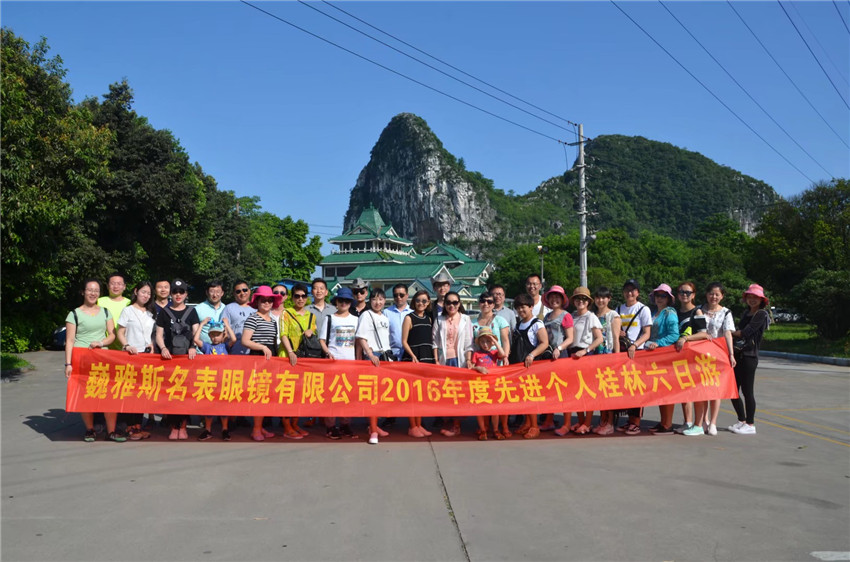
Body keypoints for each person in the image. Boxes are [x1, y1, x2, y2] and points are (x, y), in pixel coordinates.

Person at [64, 279, 124, 442]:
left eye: (96, 290)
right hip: (82, 359)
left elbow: (112, 335)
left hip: (102, 359)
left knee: (108, 395)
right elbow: (69, 341)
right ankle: (90, 430)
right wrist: (68, 364)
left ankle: (111, 431)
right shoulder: (74, 314)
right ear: (83, 292)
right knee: (86, 395)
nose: (93, 293)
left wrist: (101, 343)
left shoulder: (105, 312)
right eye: (90, 290)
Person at [676, 282, 734, 436]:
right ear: (706, 294)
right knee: (701, 389)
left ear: (722, 296)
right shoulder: (700, 309)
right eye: (711, 293)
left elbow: (727, 333)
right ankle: (703, 421)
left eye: (717, 294)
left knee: (714, 390)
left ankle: (712, 422)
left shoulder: (725, 312)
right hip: (699, 354)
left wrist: (731, 354)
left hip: (717, 354)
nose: (713, 297)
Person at [155, 278, 201, 440]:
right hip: (170, 358)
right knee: (171, 393)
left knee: (185, 394)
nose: (178, 295)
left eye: (181, 292)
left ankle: (183, 426)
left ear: (186, 294)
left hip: (187, 358)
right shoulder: (164, 312)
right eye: (175, 292)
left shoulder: (192, 312)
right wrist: (163, 348)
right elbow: (159, 335)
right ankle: (173, 426)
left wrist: (193, 347)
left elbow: (196, 333)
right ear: (171, 294)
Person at [116, 281, 156, 440]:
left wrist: (151, 344)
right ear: (136, 291)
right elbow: (120, 332)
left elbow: (151, 334)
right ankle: (129, 427)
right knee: (130, 392)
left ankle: (138, 426)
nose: (146, 295)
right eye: (143, 292)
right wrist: (126, 345)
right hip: (130, 356)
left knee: (142, 393)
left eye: (149, 293)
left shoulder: (151, 312)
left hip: (146, 357)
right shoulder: (127, 311)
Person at [728, 284, 770, 435]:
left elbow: (746, 332)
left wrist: (729, 332)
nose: (752, 300)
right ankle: (742, 420)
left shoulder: (761, 314)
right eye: (749, 297)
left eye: (755, 297)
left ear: (761, 300)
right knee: (732, 390)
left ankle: (750, 424)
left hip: (749, 356)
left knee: (747, 392)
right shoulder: (746, 313)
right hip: (737, 355)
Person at [241, 285, 282, 441]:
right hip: (258, 358)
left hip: (270, 358)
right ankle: (256, 429)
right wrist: (262, 347)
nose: (267, 303)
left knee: (267, 395)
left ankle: (260, 426)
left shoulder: (273, 321)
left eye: (269, 300)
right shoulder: (253, 318)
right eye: (263, 300)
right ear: (257, 301)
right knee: (260, 394)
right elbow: (245, 341)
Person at [560, 287, 603, 435]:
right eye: (578, 298)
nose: (581, 301)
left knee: (588, 390)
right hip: (572, 355)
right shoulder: (571, 316)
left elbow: (599, 338)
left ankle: (588, 423)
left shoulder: (591, 317)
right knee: (575, 390)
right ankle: (580, 420)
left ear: (588, 302)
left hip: (585, 355)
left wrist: (586, 350)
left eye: (584, 299)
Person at [431, 290, 474, 438]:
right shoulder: (439, 319)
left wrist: (468, 360)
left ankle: (456, 425)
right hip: (444, 361)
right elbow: (435, 342)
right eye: (448, 302)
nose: (451, 305)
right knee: (444, 393)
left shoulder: (465, 319)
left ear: (459, 304)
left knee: (457, 393)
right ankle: (446, 421)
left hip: (459, 360)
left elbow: (469, 342)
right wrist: (436, 361)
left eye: (455, 302)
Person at [318, 287, 359, 440]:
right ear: (336, 302)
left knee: (347, 396)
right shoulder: (330, 318)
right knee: (332, 395)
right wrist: (328, 352)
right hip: (333, 363)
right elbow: (322, 340)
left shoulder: (356, 319)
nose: (343, 303)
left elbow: (359, 342)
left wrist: (358, 359)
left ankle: (345, 424)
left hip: (350, 363)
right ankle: (330, 426)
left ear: (350, 303)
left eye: (347, 301)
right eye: (341, 300)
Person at [356, 288, 394, 444]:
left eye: (380, 299)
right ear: (370, 301)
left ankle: (375, 426)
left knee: (382, 395)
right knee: (372, 396)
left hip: (386, 357)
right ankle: (373, 431)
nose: (378, 302)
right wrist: (370, 354)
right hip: (373, 357)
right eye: (374, 299)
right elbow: (361, 338)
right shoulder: (366, 315)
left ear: (385, 301)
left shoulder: (385, 317)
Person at [509, 293, 550, 439]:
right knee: (523, 396)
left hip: (532, 366)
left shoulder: (537, 323)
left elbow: (544, 343)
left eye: (524, 307)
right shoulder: (519, 324)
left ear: (531, 307)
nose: (521, 310)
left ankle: (534, 426)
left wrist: (532, 355)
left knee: (531, 396)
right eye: (518, 308)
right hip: (520, 365)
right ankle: (527, 423)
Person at [642, 283, 680, 436]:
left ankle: (667, 424)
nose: (660, 298)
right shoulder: (654, 313)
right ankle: (663, 422)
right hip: (654, 356)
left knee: (666, 390)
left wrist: (658, 343)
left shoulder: (669, 313)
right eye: (658, 295)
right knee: (660, 390)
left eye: (663, 296)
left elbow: (674, 335)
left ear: (668, 299)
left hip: (665, 355)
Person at [278, 283, 314, 438]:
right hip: (287, 357)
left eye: (303, 296)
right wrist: (290, 351)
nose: (300, 299)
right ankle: (287, 427)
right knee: (287, 394)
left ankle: (295, 424)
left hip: (303, 359)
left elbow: (312, 336)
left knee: (299, 394)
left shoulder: (311, 316)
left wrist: (311, 331)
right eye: (297, 296)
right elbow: (283, 334)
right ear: (292, 298)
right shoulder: (286, 313)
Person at [671, 282, 707, 435]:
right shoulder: (674, 312)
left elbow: (704, 333)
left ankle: (698, 425)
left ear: (693, 295)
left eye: (688, 292)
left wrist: (686, 338)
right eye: (681, 292)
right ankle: (688, 422)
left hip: (694, 357)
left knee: (696, 391)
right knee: (684, 390)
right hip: (679, 358)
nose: (684, 295)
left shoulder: (696, 311)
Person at [616, 279, 652, 434]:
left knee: (636, 387)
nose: (629, 293)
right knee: (625, 387)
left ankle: (636, 422)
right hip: (621, 352)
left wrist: (635, 345)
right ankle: (629, 421)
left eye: (632, 290)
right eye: (627, 290)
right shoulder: (618, 309)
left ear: (637, 292)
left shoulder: (643, 309)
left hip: (637, 353)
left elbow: (647, 333)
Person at [193, 320, 236, 440]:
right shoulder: (207, 347)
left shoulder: (225, 346)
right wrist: (202, 324)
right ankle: (208, 430)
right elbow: (196, 339)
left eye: (218, 334)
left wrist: (227, 325)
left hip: (223, 381)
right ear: (209, 336)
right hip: (210, 381)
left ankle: (225, 429)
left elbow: (234, 339)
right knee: (209, 406)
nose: (215, 337)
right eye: (212, 335)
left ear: (223, 335)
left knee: (223, 406)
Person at [400, 290, 435, 438]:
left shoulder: (429, 319)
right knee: (412, 395)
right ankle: (412, 426)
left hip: (427, 358)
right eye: (418, 300)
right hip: (413, 358)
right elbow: (404, 341)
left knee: (421, 395)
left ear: (428, 303)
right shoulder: (409, 318)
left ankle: (419, 425)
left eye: (424, 301)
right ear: (414, 301)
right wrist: (413, 356)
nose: (421, 303)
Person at [539, 285, 573, 433]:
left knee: (563, 391)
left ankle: (567, 424)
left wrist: (559, 348)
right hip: (548, 356)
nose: (554, 300)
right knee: (549, 390)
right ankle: (548, 420)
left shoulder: (566, 315)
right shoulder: (546, 317)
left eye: (557, 297)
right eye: (551, 297)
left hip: (561, 355)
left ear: (562, 299)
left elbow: (570, 338)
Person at [592, 287, 621, 435]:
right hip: (595, 357)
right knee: (599, 391)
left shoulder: (613, 315)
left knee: (608, 391)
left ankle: (609, 423)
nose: (600, 300)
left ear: (609, 299)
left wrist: (617, 359)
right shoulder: (593, 315)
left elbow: (616, 338)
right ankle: (602, 421)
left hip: (608, 356)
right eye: (598, 297)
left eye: (604, 297)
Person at [471, 327, 509, 440]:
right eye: (482, 342)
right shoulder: (476, 354)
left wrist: (495, 342)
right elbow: (471, 367)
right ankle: (483, 430)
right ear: (479, 343)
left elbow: (503, 354)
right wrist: (478, 368)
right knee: (480, 409)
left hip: (493, 384)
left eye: (488, 341)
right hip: (480, 385)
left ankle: (496, 430)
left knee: (495, 409)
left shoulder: (494, 353)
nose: (485, 344)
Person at [98, 272, 131, 350]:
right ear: (107, 286)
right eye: (112, 283)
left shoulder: (129, 303)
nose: (116, 286)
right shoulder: (99, 301)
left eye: (119, 284)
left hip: (125, 345)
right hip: (103, 345)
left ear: (124, 286)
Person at [222, 280, 253, 355]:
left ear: (249, 291)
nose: (242, 293)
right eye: (238, 291)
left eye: (245, 290)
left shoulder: (257, 308)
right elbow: (224, 331)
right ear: (234, 294)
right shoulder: (229, 308)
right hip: (235, 351)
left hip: (254, 351)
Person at [385, 283, 413, 361]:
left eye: (401, 295)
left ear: (407, 295)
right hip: (392, 353)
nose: (398, 297)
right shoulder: (386, 312)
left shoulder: (412, 312)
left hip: (409, 352)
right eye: (395, 295)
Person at [195, 281, 226, 345]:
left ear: (222, 293)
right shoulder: (198, 309)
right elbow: (194, 332)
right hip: (202, 350)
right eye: (212, 291)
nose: (215, 295)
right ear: (207, 292)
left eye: (218, 292)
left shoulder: (226, 309)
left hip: (222, 349)